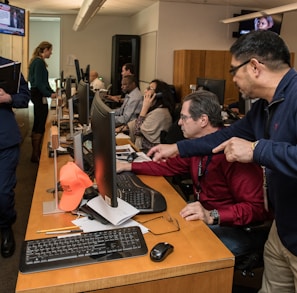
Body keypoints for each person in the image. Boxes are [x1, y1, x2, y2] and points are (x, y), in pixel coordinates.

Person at [148, 30, 297, 292]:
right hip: (283, 228)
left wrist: (256, 150)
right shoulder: (264, 105)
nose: (233, 79)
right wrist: (177, 148)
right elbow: (225, 137)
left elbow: (262, 150)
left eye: (233, 71)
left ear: (254, 66)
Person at [118, 90, 270, 257]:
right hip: (206, 217)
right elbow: (168, 167)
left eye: (184, 118)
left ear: (203, 120)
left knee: (184, 253)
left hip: (233, 226)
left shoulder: (233, 155)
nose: (179, 123)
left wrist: (212, 215)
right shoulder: (197, 147)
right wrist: (128, 166)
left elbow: (256, 209)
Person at [0, 56, 30, 257]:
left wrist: (8, 98)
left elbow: (24, 98)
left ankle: (5, 227)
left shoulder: (8, 67)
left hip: (5, 141)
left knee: (2, 193)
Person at [28, 41, 57, 163]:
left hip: (37, 94)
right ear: (44, 50)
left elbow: (43, 83)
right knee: (40, 122)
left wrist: (52, 91)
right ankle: (36, 154)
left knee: (38, 121)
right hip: (39, 95)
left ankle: (36, 152)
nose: (51, 52)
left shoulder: (36, 61)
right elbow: (40, 83)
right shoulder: (39, 62)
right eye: (50, 50)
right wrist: (49, 94)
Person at [128, 79, 176, 152]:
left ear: (158, 94)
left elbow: (137, 131)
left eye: (150, 88)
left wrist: (144, 108)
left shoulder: (160, 113)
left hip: (150, 153)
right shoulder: (155, 109)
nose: (145, 91)